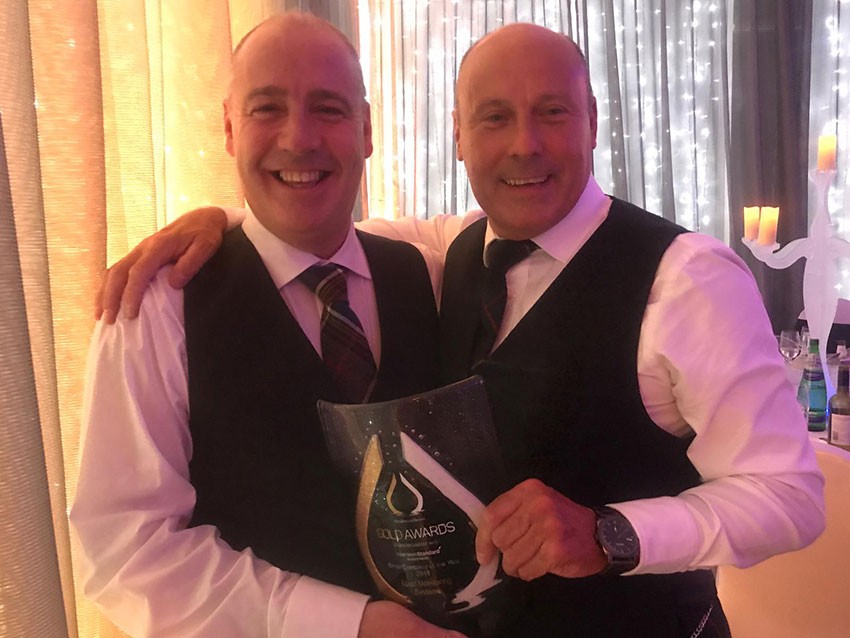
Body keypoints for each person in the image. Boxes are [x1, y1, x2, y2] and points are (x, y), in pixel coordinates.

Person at [94, 22, 826, 638]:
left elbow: (791, 493)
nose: (524, 146)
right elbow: (304, 231)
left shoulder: (689, 278)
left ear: (594, 121)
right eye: (494, 117)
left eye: (553, 112)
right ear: (459, 137)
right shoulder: (442, 254)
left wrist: (613, 533)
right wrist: (221, 225)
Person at [70, 12, 467, 638]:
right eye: (266, 109)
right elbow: (128, 548)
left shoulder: (429, 271)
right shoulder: (157, 308)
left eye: (328, 108)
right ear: (230, 128)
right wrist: (348, 624)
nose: (299, 137)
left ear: (367, 130)